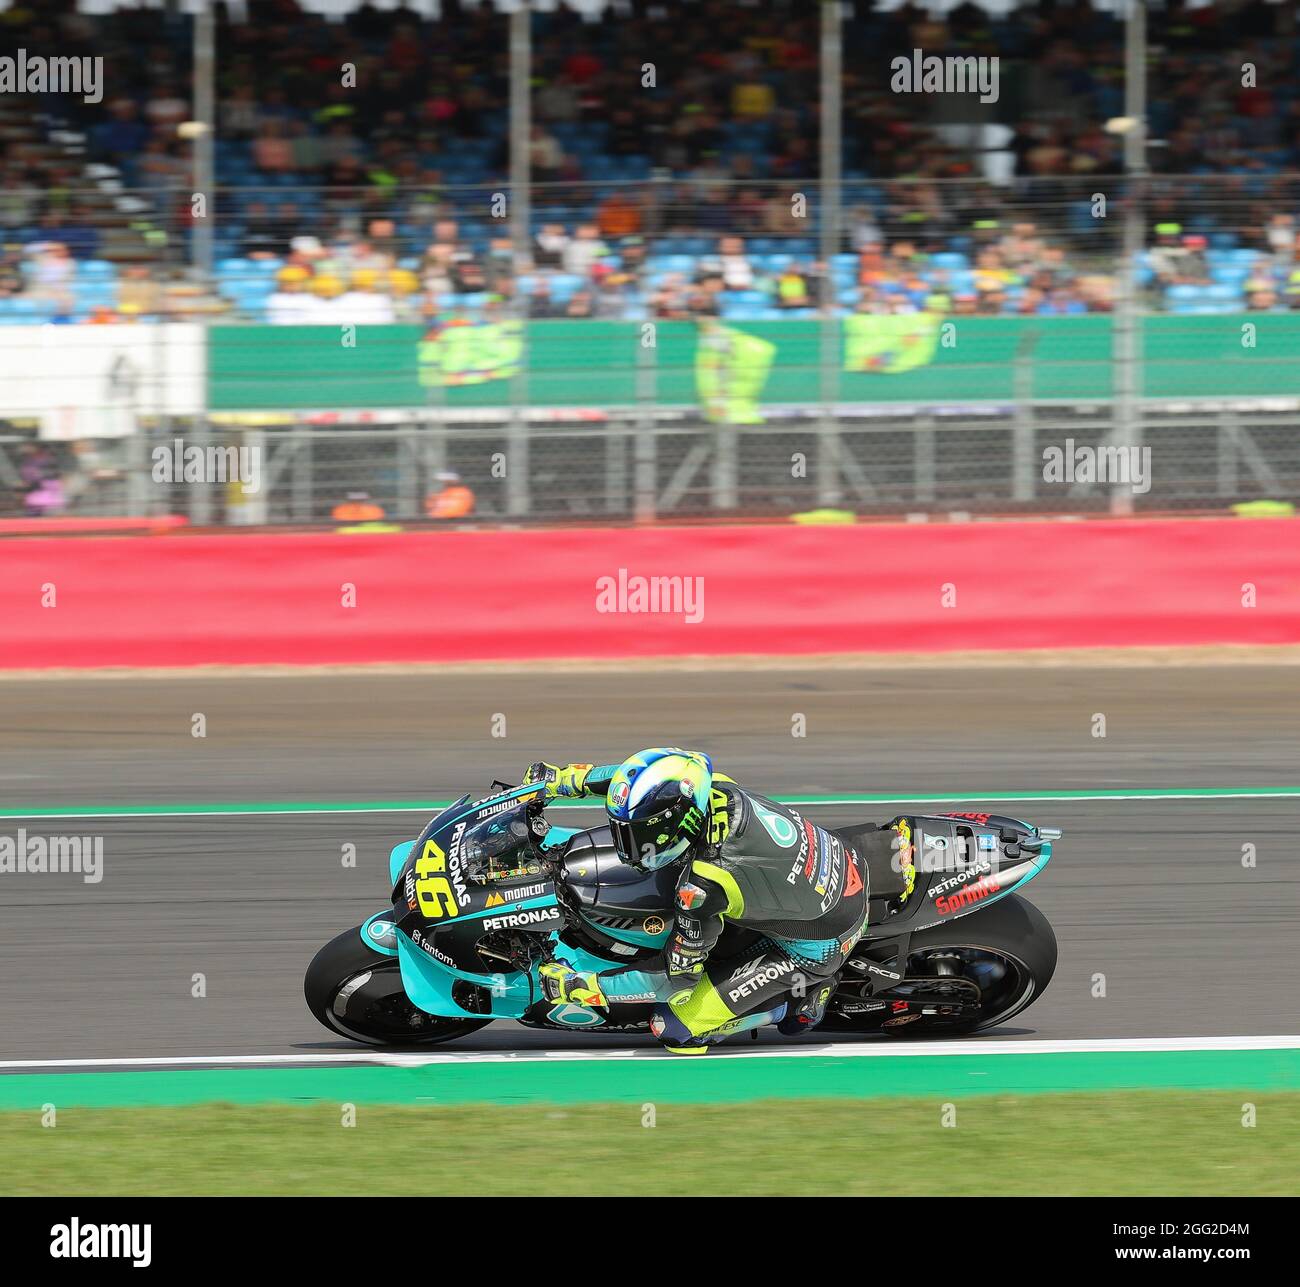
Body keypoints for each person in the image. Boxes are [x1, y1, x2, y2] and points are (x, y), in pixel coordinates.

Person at [525, 748, 869, 1054]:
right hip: (838, 863)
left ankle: (798, 1002)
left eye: (633, 834)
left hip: (823, 941)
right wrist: (567, 780)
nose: (623, 843)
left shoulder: (704, 885)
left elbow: (676, 977)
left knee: (673, 1026)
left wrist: (586, 987)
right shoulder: (711, 786)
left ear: (671, 826)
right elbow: (633, 781)